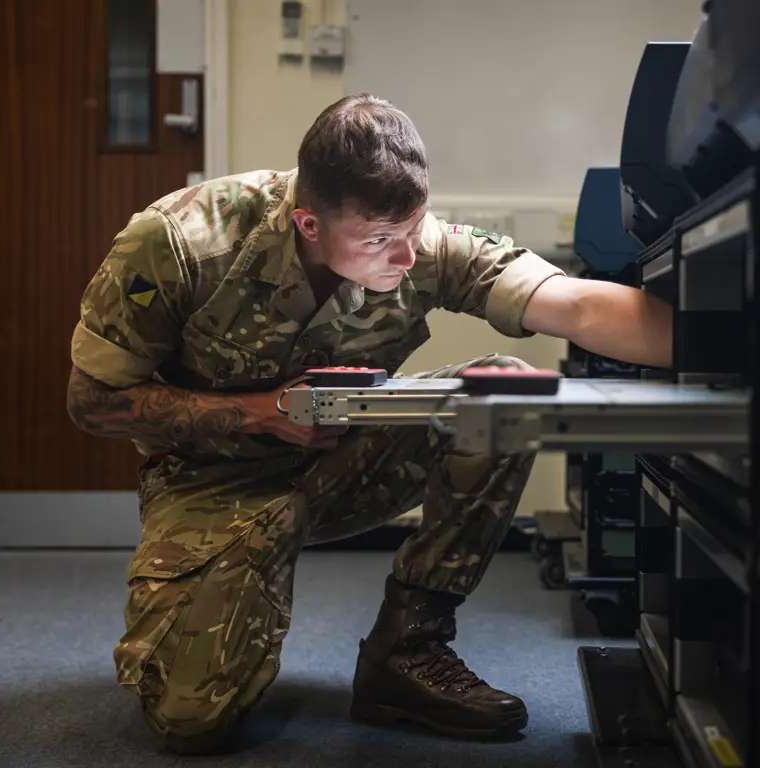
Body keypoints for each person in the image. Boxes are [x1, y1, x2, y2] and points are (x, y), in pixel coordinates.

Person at [66, 93, 671, 754]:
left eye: (413, 229)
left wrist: (719, 336)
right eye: (381, 241)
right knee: (190, 723)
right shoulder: (179, 243)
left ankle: (406, 654)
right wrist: (258, 413)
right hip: (211, 483)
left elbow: (577, 305)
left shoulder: (415, 241)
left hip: (344, 465)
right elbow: (92, 399)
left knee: (505, 393)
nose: (407, 257)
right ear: (309, 224)